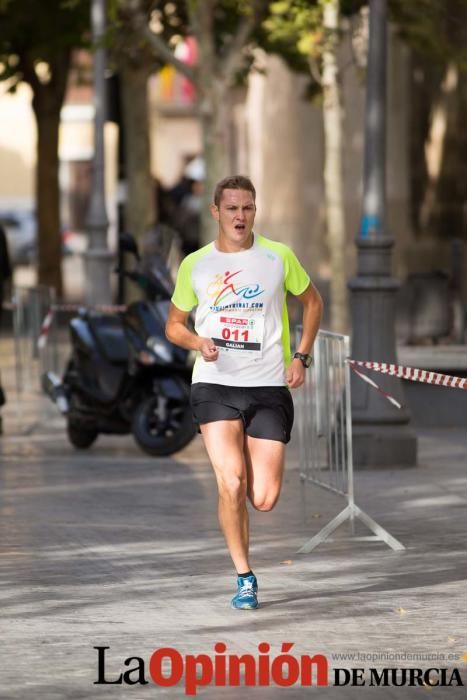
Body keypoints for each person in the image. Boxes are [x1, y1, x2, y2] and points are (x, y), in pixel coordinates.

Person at [165, 175, 323, 610]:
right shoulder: (196, 264)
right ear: (215, 211)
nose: (240, 216)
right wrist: (198, 342)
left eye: (247, 208)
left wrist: (302, 357)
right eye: (232, 208)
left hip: (269, 383)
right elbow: (173, 325)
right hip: (215, 383)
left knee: (264, 498)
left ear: (256, 211)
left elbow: (312, 302)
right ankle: (244, 577)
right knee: (230, 481)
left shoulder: (278, 258)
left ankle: (244, 489)